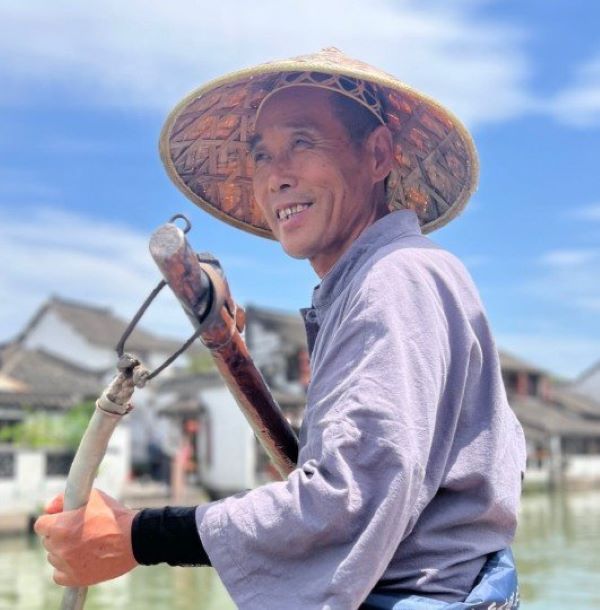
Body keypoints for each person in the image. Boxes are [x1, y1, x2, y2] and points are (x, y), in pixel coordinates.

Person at [35, 49, 526, 609]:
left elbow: (345, 499)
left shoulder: (396, 277)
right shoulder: (373, 282)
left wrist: (137, 536)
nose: (277, 176)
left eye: (302, 143)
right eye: (262, 156)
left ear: (377, 154)